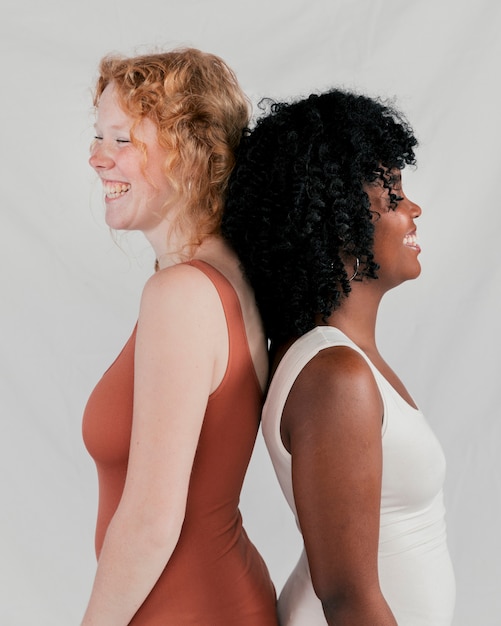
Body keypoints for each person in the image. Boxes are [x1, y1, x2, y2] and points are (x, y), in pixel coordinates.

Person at [222, 89, 456, 625]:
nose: (413, 208)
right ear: (337, 217)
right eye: (392, 192)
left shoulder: (340, 357)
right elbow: (346, 594)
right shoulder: (334, 374)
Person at [81, 48, 278, 625]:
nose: (96, 158)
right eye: (98, 137)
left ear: (189, 154)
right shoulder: (221, 274)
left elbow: (149, 522)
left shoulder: (183, 296)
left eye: (121, 140)